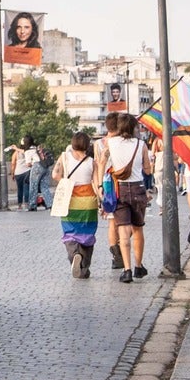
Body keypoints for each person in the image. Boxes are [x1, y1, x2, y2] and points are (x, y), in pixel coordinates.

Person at [102, 112, 152, 283]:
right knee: (138, 229)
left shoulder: (111, 143)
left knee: (123, 233)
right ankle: (138, 266)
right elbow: (148, 170)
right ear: (134, 128)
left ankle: (127, 270)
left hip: (120, 190)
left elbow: (103, 161)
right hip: (138, 189)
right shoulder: (141, 144)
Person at [51, 131, 101, 278]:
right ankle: (84, 268)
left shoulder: (64, 157)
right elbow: (96, 184)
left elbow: (55, 175)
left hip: (70, 199)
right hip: (88, 201)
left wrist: (66, 182)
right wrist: (102, 202)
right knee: (88, 233)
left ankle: (74, 255)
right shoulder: (92, 162)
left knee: (70, 232)